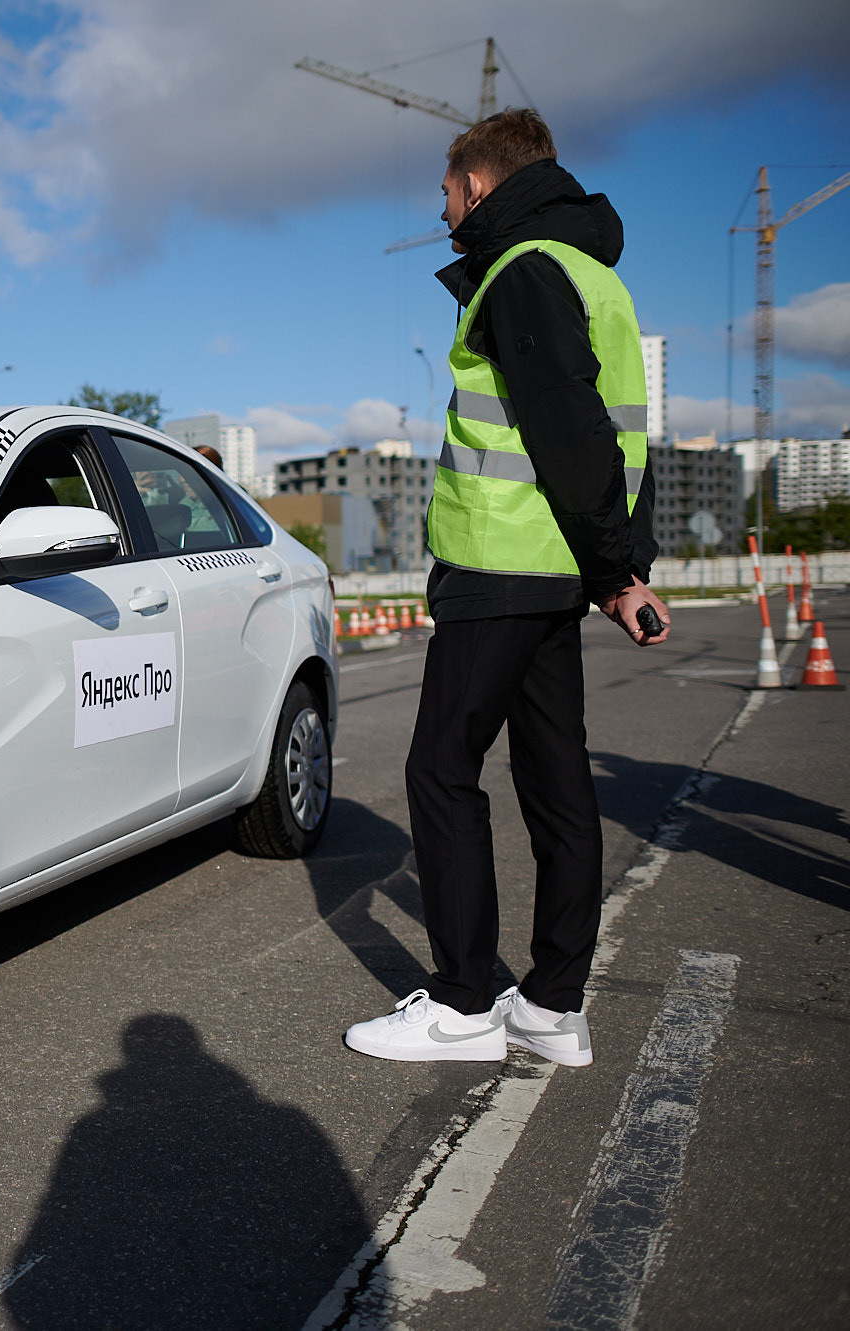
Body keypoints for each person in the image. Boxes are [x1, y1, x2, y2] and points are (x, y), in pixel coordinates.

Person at [344, 109, 666, 1067]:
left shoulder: (523, 269)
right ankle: (552, 1004)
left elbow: (568, 427)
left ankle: (462, 1004)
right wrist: (613, 565)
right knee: (554, 777)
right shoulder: (591, 272)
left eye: (445, 193)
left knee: (441, 769)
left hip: (502, 564)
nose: (440, 211)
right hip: (554, 569)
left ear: (478, 186)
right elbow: (613, 429)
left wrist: (616, 569)